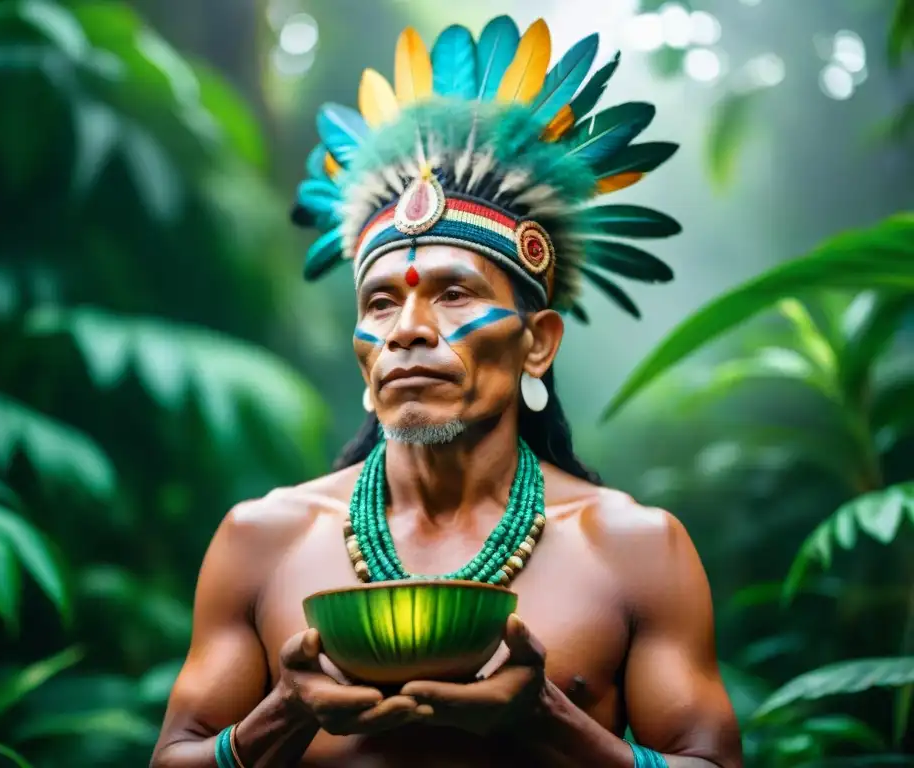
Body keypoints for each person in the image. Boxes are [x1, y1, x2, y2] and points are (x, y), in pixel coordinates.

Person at [151, 15, 743, 768]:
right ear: (363, 357)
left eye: (455, 294)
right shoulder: (263, 540)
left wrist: (545, 721)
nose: (408, 328)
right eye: (379, 303)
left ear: (537, 342)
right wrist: (284, 715)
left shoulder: (635, 550)